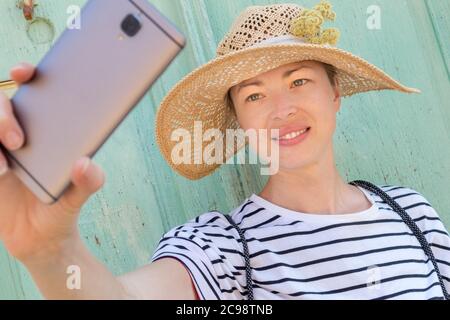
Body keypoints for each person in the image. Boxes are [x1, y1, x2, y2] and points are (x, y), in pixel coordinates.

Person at [0, 1, 448, 300]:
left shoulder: (412, 212)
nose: (281, 110)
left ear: (335, 94)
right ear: (240, 122)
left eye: (299, 80)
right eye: (254, 96)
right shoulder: (226, 247)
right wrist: (50, 253)